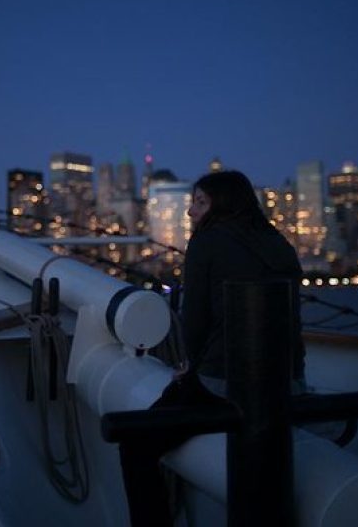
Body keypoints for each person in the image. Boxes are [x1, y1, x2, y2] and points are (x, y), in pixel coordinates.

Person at [118, 170, 304, 527]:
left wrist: (192, 365)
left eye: (199, 203)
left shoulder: (207, 241)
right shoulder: (278, 243)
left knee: (134, 444)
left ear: (223, 203)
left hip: (226, 381)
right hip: (286, 381)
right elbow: (293, 322)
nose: (190, 213)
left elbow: (196, 317)